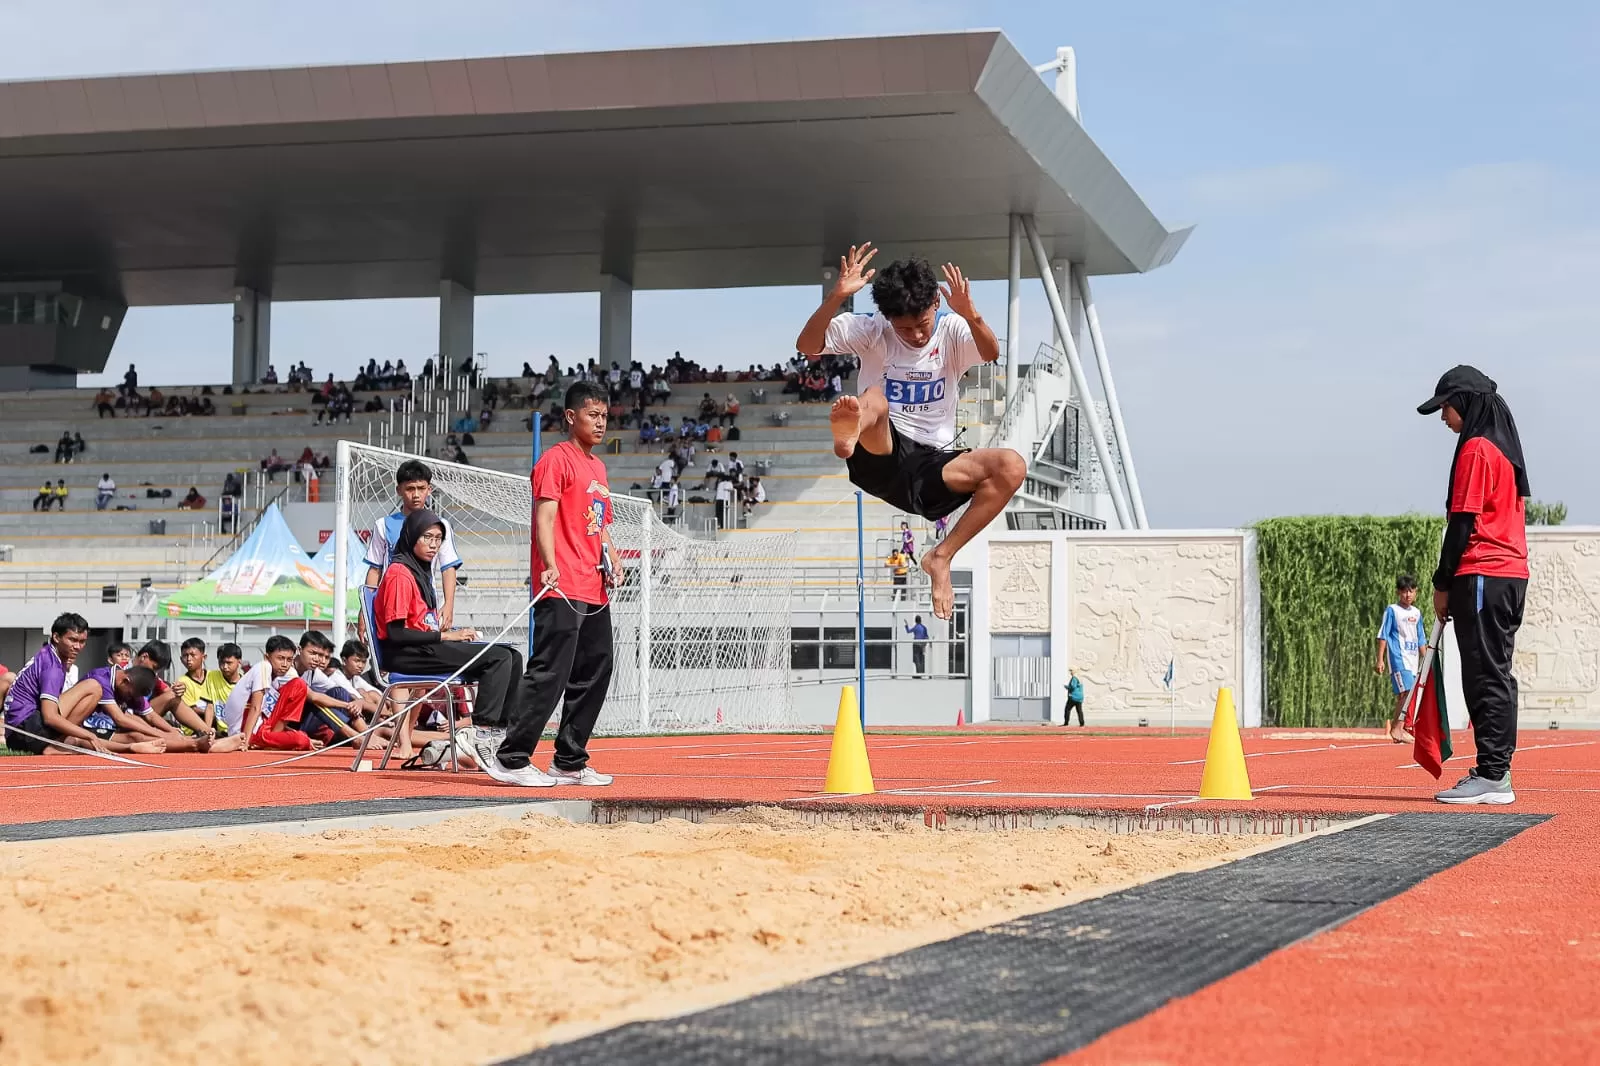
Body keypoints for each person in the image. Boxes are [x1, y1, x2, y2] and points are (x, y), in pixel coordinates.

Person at [796, 244, 1024, 620]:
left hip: (931, 467)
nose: (917, 336)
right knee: (874, 399)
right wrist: (836, 297)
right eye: (905, 329)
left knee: (1011, 466)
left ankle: (940, 557)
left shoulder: (951, 329)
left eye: (922, 325)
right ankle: (850, 434)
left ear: (936, 303)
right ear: (887, 319)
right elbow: (807, 345)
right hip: (879, 452)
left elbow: (989, 351)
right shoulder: (871, 330)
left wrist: (972, 315)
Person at [468, 381, 619, 787]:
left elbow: (600, 523)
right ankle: (512, 758)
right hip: (561, 583)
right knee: (550, 671)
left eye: (605, 415)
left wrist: (613, 555)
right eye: (593, 415)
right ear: (571, 417)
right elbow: (545, 518)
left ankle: (569, 760)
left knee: (596, 670)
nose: (601, 422)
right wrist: (549, 565)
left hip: (594, 584)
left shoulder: (598, 467)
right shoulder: (556, 460)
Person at [1419, 366, 1530, 805]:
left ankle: (1492, 773)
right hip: (1509, 573)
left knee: (1484, 674)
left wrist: (1441, 583)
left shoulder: (1477, 450)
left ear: (1464, 402)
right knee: (1496, 672)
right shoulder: (1504, 449)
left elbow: (1462, 524)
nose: (1443, 417)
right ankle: (1495, 769)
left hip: (1483, 571)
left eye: (1445, 407)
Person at [374, 508, 525, 764]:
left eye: (438, 539)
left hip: (424, 647)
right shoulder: (400, 573)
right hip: (405, 655)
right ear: (411, 537)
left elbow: (419, 624)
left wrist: (445, 633)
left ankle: (500, 732)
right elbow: (396, 633)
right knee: (498, 658)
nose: (434, 545)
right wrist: (445, 638)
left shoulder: (419, 571)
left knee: (512, 655)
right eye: (427, 538)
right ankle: (481, 732)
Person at [364, 460, 462, 630]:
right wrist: (364, 610)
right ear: (399, 490)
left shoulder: (441, 526)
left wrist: (449, 605)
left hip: (426, 605)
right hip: (392, 604)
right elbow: (375, 569)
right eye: (410, 489)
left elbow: (448, 568)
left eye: (421, 488)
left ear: (429, 490)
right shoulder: (383, 525)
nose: (416, 494)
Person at [240, 636, 321, 751]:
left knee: (299, 685)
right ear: (267, 657)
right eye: (280, 658)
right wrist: (246, 743)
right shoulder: (261, 670)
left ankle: (272, 739)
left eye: (289, 660)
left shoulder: (278, 677)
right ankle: (266, 741)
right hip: (251, 730)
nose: (285, 664)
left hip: (266, 726)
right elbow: (255, 708)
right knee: (301, 740)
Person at [171, 638, 249, 752]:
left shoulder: (244, 682)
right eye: (185, 655)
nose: (189, 659)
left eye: (193, 655)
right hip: (195, 730)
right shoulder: (190, 680)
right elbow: (208, 707)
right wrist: (207, 732)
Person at [1375, 575, 1425, 744]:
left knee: (1407, 695)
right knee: (1406, 692)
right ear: (1398, 592)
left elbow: (1421, 638)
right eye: (1404, 591)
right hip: (1398, 658)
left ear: (1416, 592)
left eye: (1411, 591)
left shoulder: (1417, 613)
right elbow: (1383, 635)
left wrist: (1427, 658)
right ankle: (1398, 729)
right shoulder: (1392, 611)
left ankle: (1399, 729)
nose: (1408, 595)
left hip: (1413, 660)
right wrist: (1380, 659)